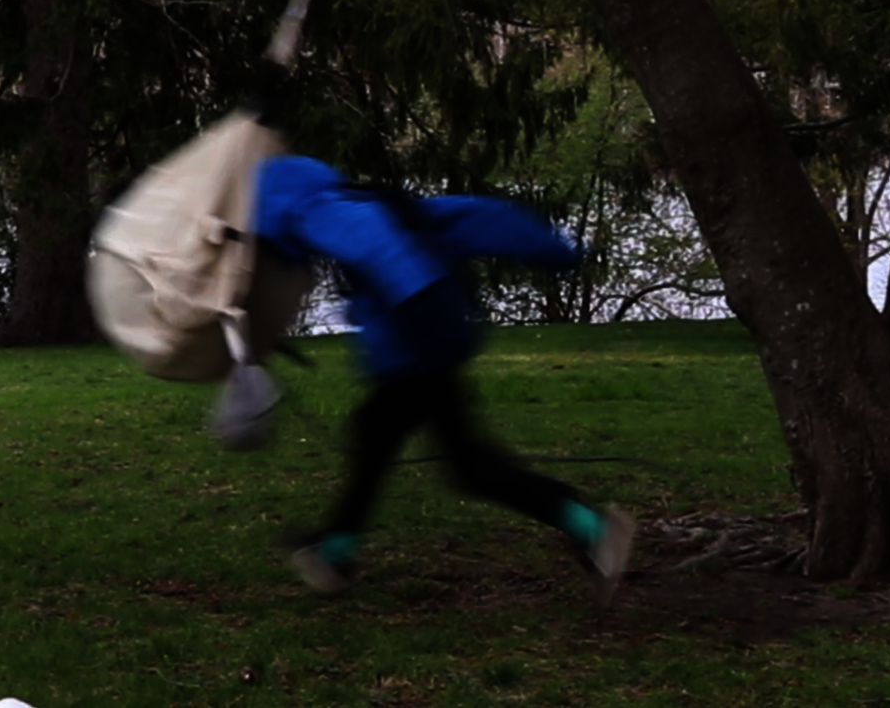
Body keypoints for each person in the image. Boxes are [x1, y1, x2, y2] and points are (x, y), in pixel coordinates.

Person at [250, 154, 632, 602]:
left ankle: (593, 530)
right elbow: (475, 217)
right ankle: (335, 552)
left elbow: (375, 246)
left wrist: (415, 296)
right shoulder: (380, 201)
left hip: (417, 350)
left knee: (463, 465)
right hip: (436, 343)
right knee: (384, 440)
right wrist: (556, 251)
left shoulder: (320, 212)